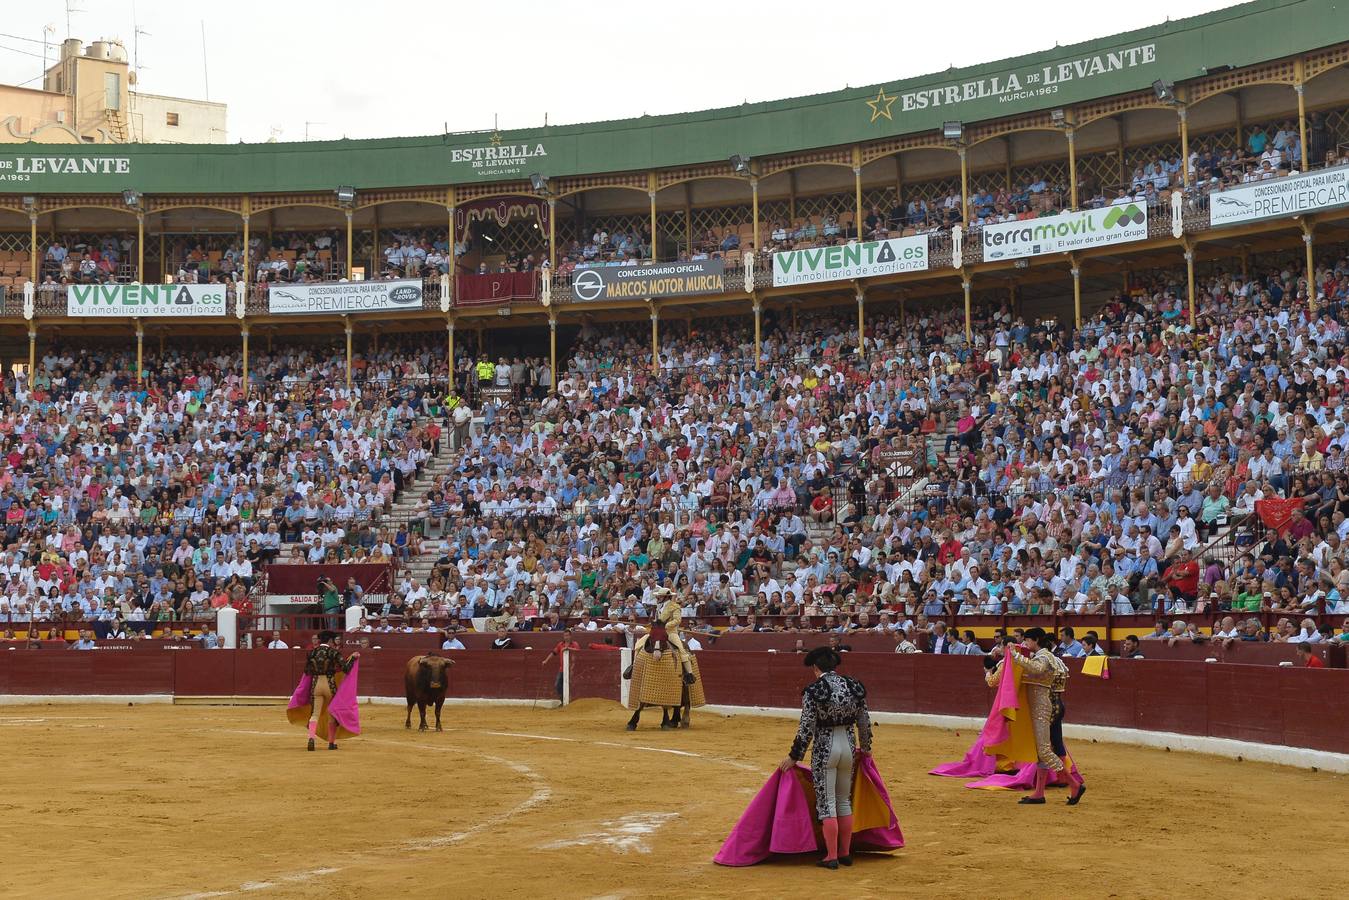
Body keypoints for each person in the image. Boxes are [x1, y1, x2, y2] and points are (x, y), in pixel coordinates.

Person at [779, 646, 872, 870]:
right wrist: (866, 748)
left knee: (827, 802)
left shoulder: (814, 691)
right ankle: (845, 853)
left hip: (825, 749)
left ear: (815, 668)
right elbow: (864, 721)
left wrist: (794, 756)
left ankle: (831, 856)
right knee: (843, 800)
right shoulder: (853, 686)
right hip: (848, 747)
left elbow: (806, 728)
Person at [1008, 627, 1085, 805]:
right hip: (1049, 705)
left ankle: (1074, 784)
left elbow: (1036, 668)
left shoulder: (1043, 657)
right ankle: (1039, 793)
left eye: (1027, 640)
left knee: (1043, 749)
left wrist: (1015, 655)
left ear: (1035, 640)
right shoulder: (1049, 656)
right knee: (1041, 750)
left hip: (1043, 708)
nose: (1026, 643)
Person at [291, 630, 359, 751]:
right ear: (330, 641)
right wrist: (352, 658)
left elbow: (307, 672)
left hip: (316, 685)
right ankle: (331, 743)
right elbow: (346, 669)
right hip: (330, 685)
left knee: (315, 714)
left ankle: (311, 738)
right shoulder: (334, 652)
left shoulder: (312, 653)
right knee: (331, 714)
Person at [543, 628, 581, 699]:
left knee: (571, 685)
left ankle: (570, 700)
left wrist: (568, 649)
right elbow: (553, 653)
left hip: (573, 669)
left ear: (570, 636)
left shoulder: (574, 644)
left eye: (567, 635)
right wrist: (546, 660)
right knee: (557, 685)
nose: (566, 637)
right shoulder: (560, 644)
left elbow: (578, 651)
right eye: (565, 636)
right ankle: (563, 700)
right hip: (562, 669)